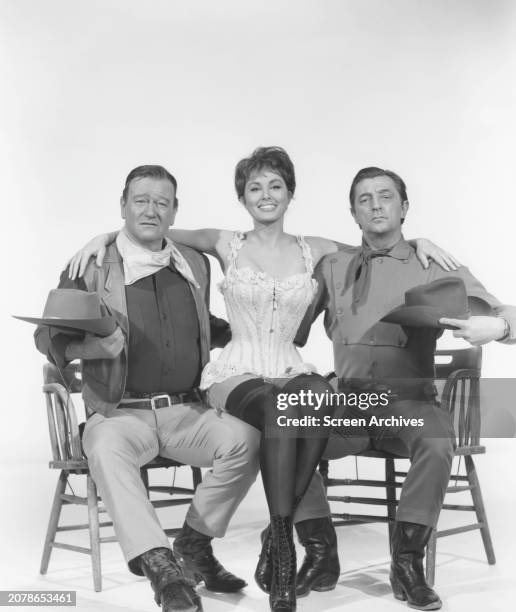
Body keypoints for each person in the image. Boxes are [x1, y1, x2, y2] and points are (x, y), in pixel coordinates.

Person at [67, 148, 458, 612]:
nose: (266, 195)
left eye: (275, 186)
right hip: (235, 372)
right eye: (255, 187)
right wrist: (104, 235)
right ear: (242, 197)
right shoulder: (221, 242)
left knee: (306, 408)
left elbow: (379, 244)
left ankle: (267, 543)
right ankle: (275, 550)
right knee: (281, 413)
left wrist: (420, 243)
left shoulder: (319, 249)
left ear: (291, 193)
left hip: (286, 369)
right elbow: (153, 230)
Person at [35, 165, 261, 612]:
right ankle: (162, 570)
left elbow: (204, 327)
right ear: (123, 206)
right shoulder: (91, 265)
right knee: (106, 449)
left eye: (162, 202)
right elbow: (47, 339)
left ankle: (194, 544)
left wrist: (254, 330)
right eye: (141, 200)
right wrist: (92, 344)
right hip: (120, 412)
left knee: (248, 439)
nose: (151, 209)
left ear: (175, 211)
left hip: (186, 412)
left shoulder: (192, 263)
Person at [294, 166, 516, 610]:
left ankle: (407, 563)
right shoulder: (333, 266)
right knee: (286, 431)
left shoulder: (432, 264)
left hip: (409, 401)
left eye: (386, 196)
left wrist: (500, 323)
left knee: (436, 440)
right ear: (353, 213)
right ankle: (321, 553)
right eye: (364, 199)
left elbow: (504, 308)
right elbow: (288, 327)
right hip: (350, 403)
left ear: (404, 207)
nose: (376, 205)